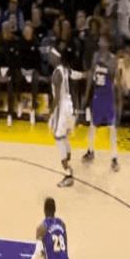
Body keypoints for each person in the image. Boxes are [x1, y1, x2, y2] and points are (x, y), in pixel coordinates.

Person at [82, 35, 119, 172]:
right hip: (97, 94)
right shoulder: (95, 56)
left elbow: (113, 74)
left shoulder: (113, 58)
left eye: (102, 40)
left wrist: (104, 64)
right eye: (99, 40)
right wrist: (87, 94)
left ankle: (114, 158)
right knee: (93, 125)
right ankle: (90, 151)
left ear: (108, 43)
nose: (100, 42)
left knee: (111, 127)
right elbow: (91, 75)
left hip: (108, 95)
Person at [49, 48, 75, 187]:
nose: (49, 58)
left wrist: (51, 112)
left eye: (50, 56)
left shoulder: (56, 73)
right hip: (69, 106)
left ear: (56, 57)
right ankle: (69, 154)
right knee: (63, 136)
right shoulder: (65, 69)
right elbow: (74, 75)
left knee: (58, 137)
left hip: (62, 107)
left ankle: (68, 174)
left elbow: (57, 97)